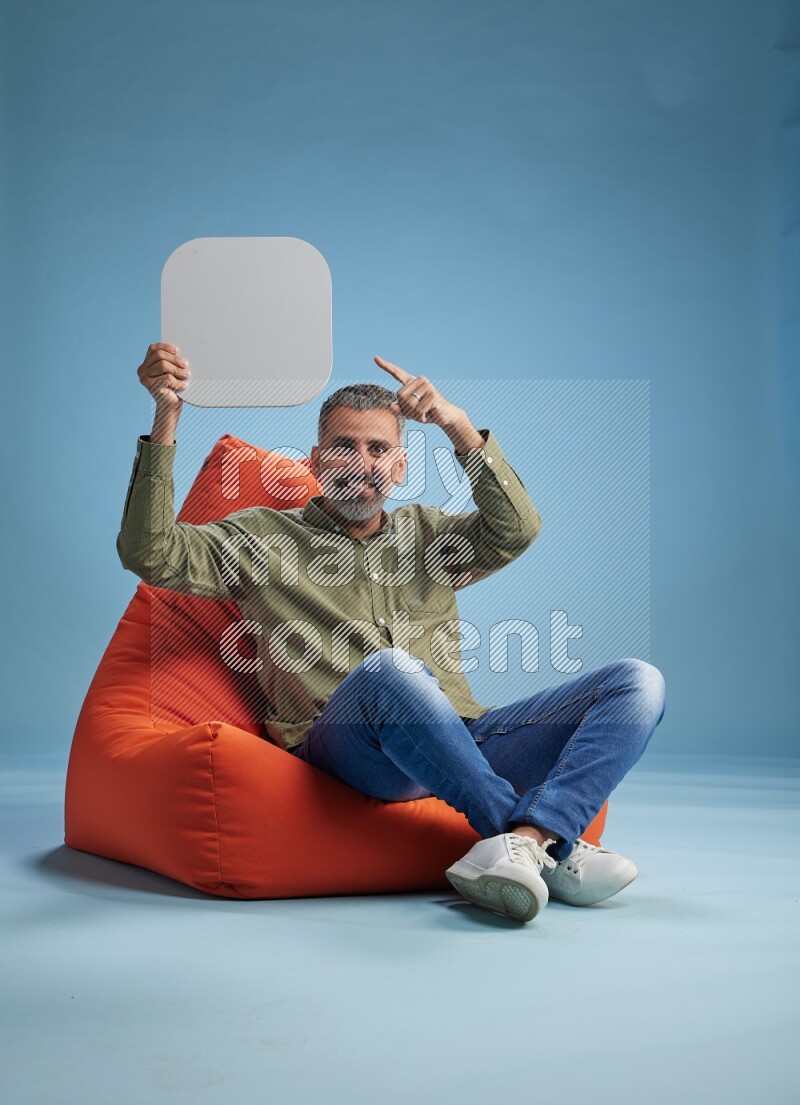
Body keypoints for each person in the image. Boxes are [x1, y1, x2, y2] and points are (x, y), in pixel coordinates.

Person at [118, 341, 666, 925]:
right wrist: (167, 416)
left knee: (638, 682)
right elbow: (150, 551)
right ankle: (549, 844)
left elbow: (517, 529)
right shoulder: (261, 539)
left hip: (461, 739)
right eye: (344, 447)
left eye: (379, 448)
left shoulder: (429, 534)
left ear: (400, 466)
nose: (361, 463)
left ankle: (530, 841)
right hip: (347, 748)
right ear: (316, 460)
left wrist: (455, 424)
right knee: (391, 671)